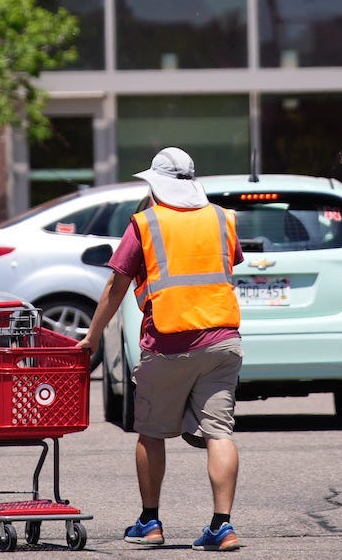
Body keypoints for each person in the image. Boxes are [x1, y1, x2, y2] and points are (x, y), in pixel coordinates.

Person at [78, 147, 245, 551]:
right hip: (223, 339)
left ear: (156, 184)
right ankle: (222, 527)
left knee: (151, 433)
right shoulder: (224, 219)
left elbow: (117, 285)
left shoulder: (145, 224)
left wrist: (93, 335)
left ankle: (150, 523)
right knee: (219, 434)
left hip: (167, 342)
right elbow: (226, 264)